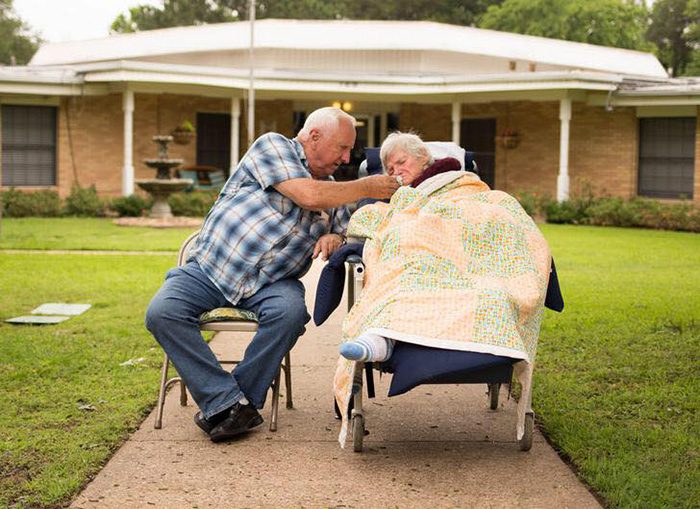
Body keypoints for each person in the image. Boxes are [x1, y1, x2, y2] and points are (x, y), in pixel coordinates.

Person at [145, 107, 400, 443]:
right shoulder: (274, 147)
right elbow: (308, 195)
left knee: (291, 313)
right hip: (210, 268)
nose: (346, 156)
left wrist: (334, 237)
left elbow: (342, 230)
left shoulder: (337, 192)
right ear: (313, 137)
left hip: (272, 283)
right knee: (162, 313)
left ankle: (233, 404)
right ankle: (228, 402)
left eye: (349, 150)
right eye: (341, 147)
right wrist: (367, 185)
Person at [333, 131, 551, 447]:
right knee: (400, 280)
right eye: (390, 169)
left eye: (402, 162)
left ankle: (380, 339)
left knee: (492, 294)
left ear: (424, 157)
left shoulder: (462, 182)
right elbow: (385, 223)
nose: (396, 172)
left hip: (469, 258)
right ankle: (377, 342)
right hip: (419, 256)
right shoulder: (401, 196)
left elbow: (494, 214)